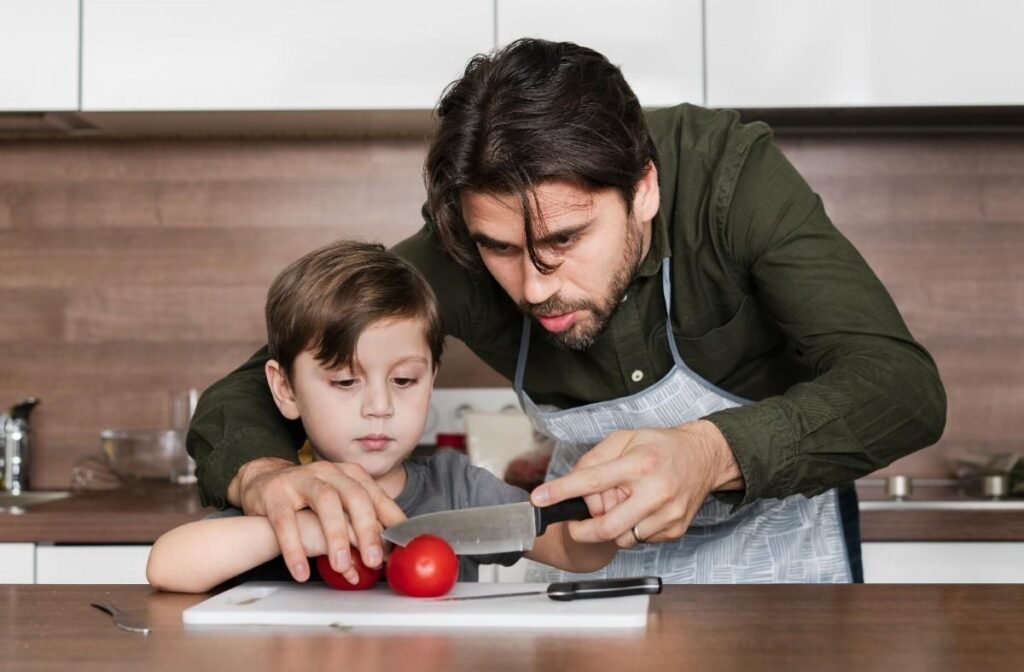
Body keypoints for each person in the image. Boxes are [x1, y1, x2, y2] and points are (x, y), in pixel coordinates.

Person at [187, 39, 946, 584]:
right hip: (585, 570)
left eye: (564, 240)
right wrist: (261, 475)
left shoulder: (729, 178)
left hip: (782, 562)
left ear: (643, 189)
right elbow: (256, 384)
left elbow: (901, 386)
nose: (535, 287)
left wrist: (711, 453)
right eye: (500, 250)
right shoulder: (456, 249)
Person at [149, 240, 615, 593]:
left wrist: (609, 520)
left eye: (405, 381)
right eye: (346, 382)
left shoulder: (458, 490)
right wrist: (303, 529)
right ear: (284, 389)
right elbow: (167, 566)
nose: (379, 406)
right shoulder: (286, 494)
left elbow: (568, 549)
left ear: (432, 378)